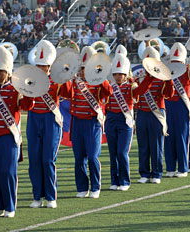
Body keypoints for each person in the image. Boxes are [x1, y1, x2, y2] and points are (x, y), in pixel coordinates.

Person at [0, 46, 34, 218]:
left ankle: (10, 206)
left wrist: (28, 92)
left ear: (7, 72)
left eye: (0, 71)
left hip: (8, 137)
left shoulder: (15, 89)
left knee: (7, 172)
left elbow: (26, 106)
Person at [27, 40, 73, 208]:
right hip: (33, 119)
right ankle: (37, 196)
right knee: (34, 159)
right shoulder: (30, 80)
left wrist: (65, 76)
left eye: (44, 66)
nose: (41, 69)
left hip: (50, 120)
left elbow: (69, 94)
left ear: (49, 66)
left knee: (47, 159)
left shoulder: (56, 80)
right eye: (38, 65)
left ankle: (51, 196)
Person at [105, 46, 151, 191]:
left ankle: (124, 181)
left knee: (121, 152)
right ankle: (115, 180)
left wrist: (149, 77)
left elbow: (142, 90)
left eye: (121, 74)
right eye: (116, 74)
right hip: (111, 120)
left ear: (125, 74)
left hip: (125, 122)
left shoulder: (131, 86)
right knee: (113, 153)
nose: (118, 76)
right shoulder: (109, 87)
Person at [70, 46, 112, 198]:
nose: (83, 71)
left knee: (93, 157)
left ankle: (95, 186)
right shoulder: (75, 82)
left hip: (92, 123)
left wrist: (100, 76)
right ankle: (82, 187)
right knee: (79, 158)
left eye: (86, 68)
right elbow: (66, 92)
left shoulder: (98, 82)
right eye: (82, 68)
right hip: (77, 123)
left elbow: (109, 92)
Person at [134, 45, 174, 184]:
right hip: (142, 114)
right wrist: (148, 78)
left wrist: (169, 82)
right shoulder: (139, 78)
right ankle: (144, 173)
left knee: (156, 145)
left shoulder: (162, 79)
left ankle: (157, 173)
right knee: (143, 145)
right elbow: (137, 93)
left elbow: (168, 95)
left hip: (156, 114)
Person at [164, 43, 190, 178]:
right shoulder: (167, 70)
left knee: (182, 137)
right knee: (168, 137)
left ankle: (182, 168)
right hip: (168, 104)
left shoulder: (187, 70)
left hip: (182, 106)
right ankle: (170, 167)